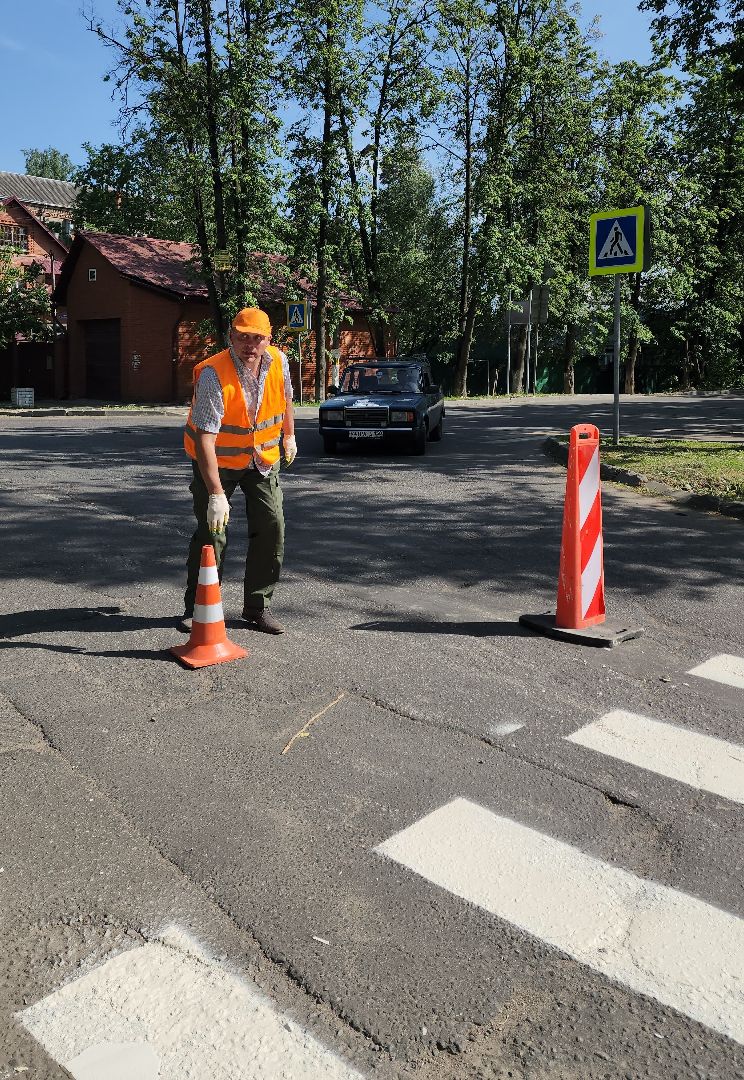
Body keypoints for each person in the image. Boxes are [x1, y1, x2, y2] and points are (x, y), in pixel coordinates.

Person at [179, 307, 296, 635]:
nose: (249, 344)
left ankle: (257, 608)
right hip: (216, 462)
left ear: (268, 339)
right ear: (230, 336)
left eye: (256, 338)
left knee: (273, 524)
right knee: (211, 533)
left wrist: (289, 435)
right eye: (242, 337)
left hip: (260, 459)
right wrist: (216, 493)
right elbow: (205, 438)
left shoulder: (279, 362)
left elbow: (286, 399)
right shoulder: (213, 373)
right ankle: (197, 608)